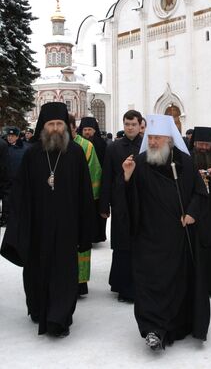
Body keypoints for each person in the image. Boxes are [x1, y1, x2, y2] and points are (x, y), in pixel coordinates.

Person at [0, 102, 95, 337]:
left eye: (59, 124)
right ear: (43, 126)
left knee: (64, 271)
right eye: (50, 124)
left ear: (66, 127)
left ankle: (59, 318)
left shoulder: (75, 154)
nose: (54, 129)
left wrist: (86, 230)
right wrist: (18, 223)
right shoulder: (32, 154)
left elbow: (84, 193)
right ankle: (37, 307)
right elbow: (20, 192)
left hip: (66, 226)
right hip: (38, 226)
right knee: (36, 270)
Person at [122, 114, 210, 350]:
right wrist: (127, 179)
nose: (152, 142)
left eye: (157, 138)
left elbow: (200, 193)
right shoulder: (138, 163)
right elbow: (128, 203)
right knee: (149, 283)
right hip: (148, 236)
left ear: (169, 139)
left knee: (176, 283)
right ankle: (153, 329)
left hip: (177, 236)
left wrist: (192, 212)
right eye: (150, 137)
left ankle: (175, 325)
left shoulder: (185, 162)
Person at [100, 109, 143, 302]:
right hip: (121, 202)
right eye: (127, 124)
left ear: (140, 125)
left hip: (143, 202)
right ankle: (122, 286)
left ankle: (141, 285)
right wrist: (104, 205)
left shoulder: (146, 145)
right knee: (123, 245)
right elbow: (106, 176)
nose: (130, 127)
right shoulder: (114, 147)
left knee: (141, 243)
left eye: (133, 124)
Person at [69, 113, 102, 296]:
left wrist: (91, 201)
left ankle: (80, 282)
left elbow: (95, 174)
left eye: (69, 126)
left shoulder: (86, 146)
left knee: (80, 243)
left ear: (75, 127)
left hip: (80, 203)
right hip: (60, 205)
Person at [190, 126, 211, 296]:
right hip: (194, 212)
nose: (203, 147)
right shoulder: (187, 158)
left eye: (206, 144)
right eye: (200, 144)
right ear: (194, 143)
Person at [78, 116, 107, 242]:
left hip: (98, 185)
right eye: (85, 130)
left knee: (96, 212)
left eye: (90, 129)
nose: (87, 132)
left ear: (95, 130)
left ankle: (97, 236)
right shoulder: (77, 144)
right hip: (81, 185)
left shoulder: (102, 144)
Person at [2, 126, 29, 226]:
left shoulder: (25, 149)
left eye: (12, 136)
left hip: (19, 180)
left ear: (17, 137)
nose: (10, 138)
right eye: (8, 135)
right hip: (7, 180)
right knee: (7, 201)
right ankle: (5, 219)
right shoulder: (4, 147)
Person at [0, 137, 10, 229]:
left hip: (2, 176)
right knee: (5, 198)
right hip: (3, 176)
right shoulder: (3, 143)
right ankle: (4, 218)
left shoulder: (2, 144)